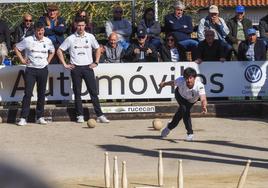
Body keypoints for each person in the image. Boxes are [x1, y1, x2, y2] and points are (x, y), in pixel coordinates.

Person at [57, 17, 110, 123]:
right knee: (77, 93)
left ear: (85, 26)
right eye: (79, 25)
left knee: (93, 92)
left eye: (82, 25)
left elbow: (98, 48)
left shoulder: (90, 37)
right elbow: (59, 50)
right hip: (75, 68)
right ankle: (79, 115)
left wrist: (96, 62)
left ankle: (99, 115)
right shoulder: (71, 38)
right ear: (75, 25)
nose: (80, 27)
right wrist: (65, 64)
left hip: (88, 67)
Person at [14, 21, 55, 126]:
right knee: (28, 94)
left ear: (44, 30)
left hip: (43, 69)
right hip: (31, 70)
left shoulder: (48, 41)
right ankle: (23, 118)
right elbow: (16, 48)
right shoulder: (28, 40)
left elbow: (52, 51)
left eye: (42, 30)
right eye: (38, 31)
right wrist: (22, 60)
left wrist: (48, 61)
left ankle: (40, 117)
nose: (40, 33)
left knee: (41, 94)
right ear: (35, 30)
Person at [159, 67, 207, 141]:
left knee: (180, 113)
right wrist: (164, 84)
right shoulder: (181, 80)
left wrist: (204, 106)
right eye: (186, 78)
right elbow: (172, 83)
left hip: (191, 101)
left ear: (194, 78)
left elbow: (203, 98)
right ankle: (190, 133)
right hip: (180, 95)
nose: (188, 80)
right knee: (184, 110)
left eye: (190, 78)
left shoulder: (199, 86)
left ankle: (169, 127)